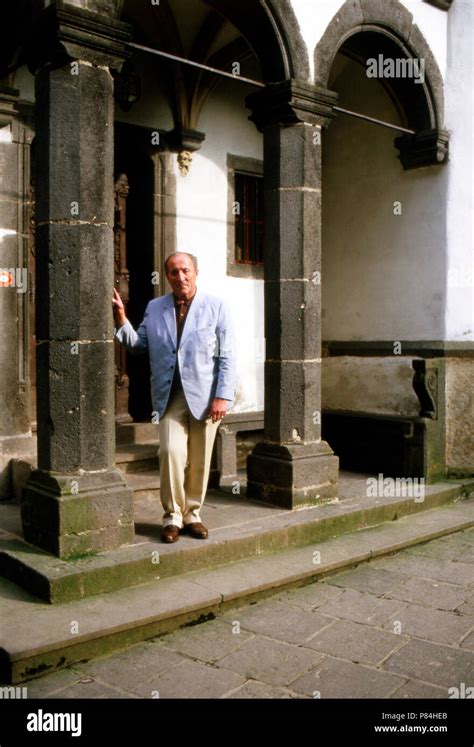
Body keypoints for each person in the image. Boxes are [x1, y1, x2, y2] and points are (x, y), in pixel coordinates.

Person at [112, 252, 235, 543]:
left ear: (195, 272)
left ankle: (193, 514)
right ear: (166, 276)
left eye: (185, 271)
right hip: (168, 397)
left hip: (206, 397)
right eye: (173, 272)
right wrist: (121, 319)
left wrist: (222, 396)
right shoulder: (155, 308)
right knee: (170, 453)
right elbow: (138, 345)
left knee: (200, 459)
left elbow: (227, 355)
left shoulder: (216, 307)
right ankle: (172, 517)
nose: (180, 277)